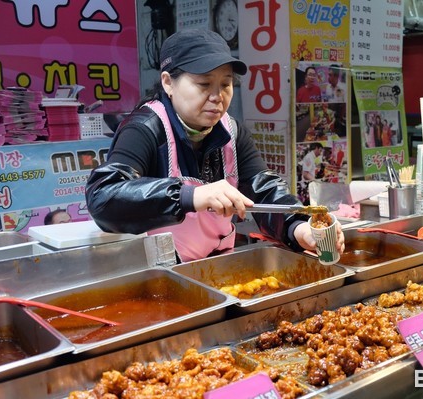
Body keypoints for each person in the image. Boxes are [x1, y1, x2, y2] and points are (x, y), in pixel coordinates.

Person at [85, 29, 344, 262]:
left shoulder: (231, 130)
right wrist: (190, 196)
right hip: (159, 278)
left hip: (216, 268)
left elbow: (263, 189)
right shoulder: (144, 128)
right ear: (168, 82)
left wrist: (298, 228)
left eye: (225, 84)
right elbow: (103, 197)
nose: (217, 97)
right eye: (204, 84)